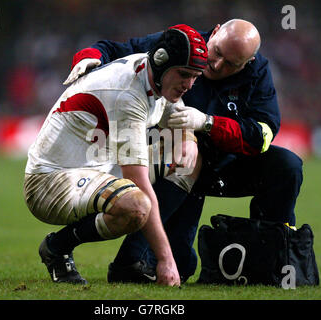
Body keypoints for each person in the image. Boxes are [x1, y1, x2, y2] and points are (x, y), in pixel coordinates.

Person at [64, 19, 304, 284]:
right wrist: (89, 59)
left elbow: (262, 135)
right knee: (180, 264)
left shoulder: (257, 73)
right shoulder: (181, 44)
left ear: (247, 63)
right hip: (172, 160)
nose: (217, 65)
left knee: (287, 166)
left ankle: (272, 257)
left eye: (231, 64)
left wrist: (207, 123)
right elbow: (115, 50)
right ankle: (131, 260)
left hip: (224, 165)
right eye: (218, 52)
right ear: (214, 33)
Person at [23, 24, 208, 286]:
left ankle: (133, 259)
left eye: (195, 76)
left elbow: (174, 109)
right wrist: (166, 260)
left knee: (188, 162)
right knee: (135, 205)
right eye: (184, 74)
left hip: (97, 167)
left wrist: (188, 139)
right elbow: (138, 183)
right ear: (162, 61)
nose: (189, 84)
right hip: (50, 181)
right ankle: (58, 247)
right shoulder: (126, 94)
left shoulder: (151, 73)